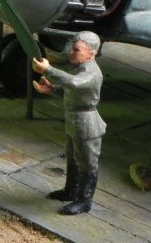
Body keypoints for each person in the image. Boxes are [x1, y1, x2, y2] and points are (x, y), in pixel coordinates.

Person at [32, 31, 106, 215]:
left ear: (91, 53)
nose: (71, 52)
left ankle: (84, 200)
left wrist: (48, 70)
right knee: (72, 157)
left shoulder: (90, 74)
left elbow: (73, 83)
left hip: (87, 126)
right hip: (75, 123)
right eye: (72, 48)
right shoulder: (80, 68)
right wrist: (51, 89)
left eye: (77, 49)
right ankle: (71, 190)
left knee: (87, 163)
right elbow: (71, 92)